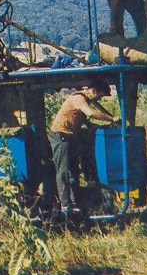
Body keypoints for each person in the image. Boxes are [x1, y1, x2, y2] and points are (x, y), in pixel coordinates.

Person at [48, 82, 118, 214]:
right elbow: (90, 113)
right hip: (61, 135)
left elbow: (86, 120)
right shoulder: (79, 98)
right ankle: (65, 204)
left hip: (70, 136)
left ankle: (74, 203)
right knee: (63, 171)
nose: (99, 100)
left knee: (74, 171)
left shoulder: (83, 100)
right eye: (100, 96)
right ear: (94, 91)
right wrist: (112, 118)